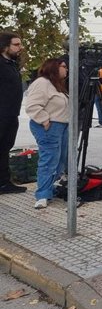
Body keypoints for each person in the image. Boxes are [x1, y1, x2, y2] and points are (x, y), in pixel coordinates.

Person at [25, 58, 69, 209]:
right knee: (49, 159)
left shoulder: (56, 85)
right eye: (64, 66)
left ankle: (50, 188)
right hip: (50, 126)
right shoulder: (42, 83)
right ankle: (42, 194)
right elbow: (32, 105)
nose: (66, 69)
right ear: (54, 67)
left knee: (60, 160)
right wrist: (44, 120)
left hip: (62, 125)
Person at [0, 32, 26, 194]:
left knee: (4, 148)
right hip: (2, 114)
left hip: (11, 114)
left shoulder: (11, 64)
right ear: (5, 46)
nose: (20, 48)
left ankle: (4, 182)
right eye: (16, 45)